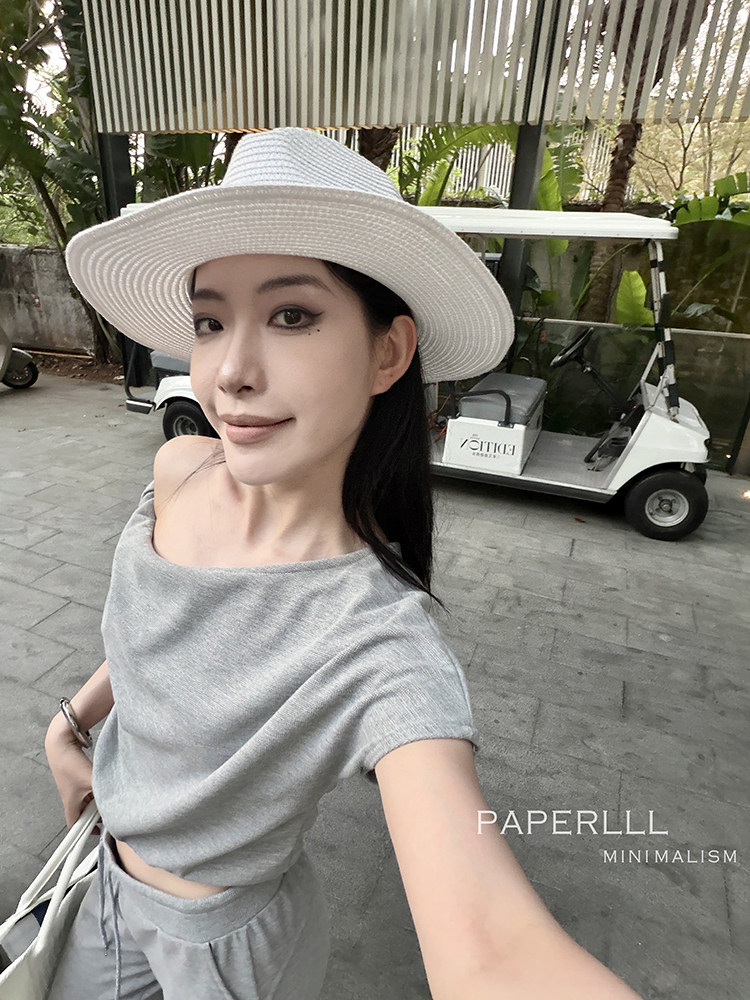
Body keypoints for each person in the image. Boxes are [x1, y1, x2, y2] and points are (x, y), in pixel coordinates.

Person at [43, 127, 643, 1000]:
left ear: (388, 353)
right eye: (211, 321)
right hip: (99, 880)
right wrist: (71, 722)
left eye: (291, 315)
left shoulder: (377, 644)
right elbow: (162, 624)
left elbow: (493, 953)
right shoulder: (180, 470)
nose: (230, 372)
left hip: (226, 952)